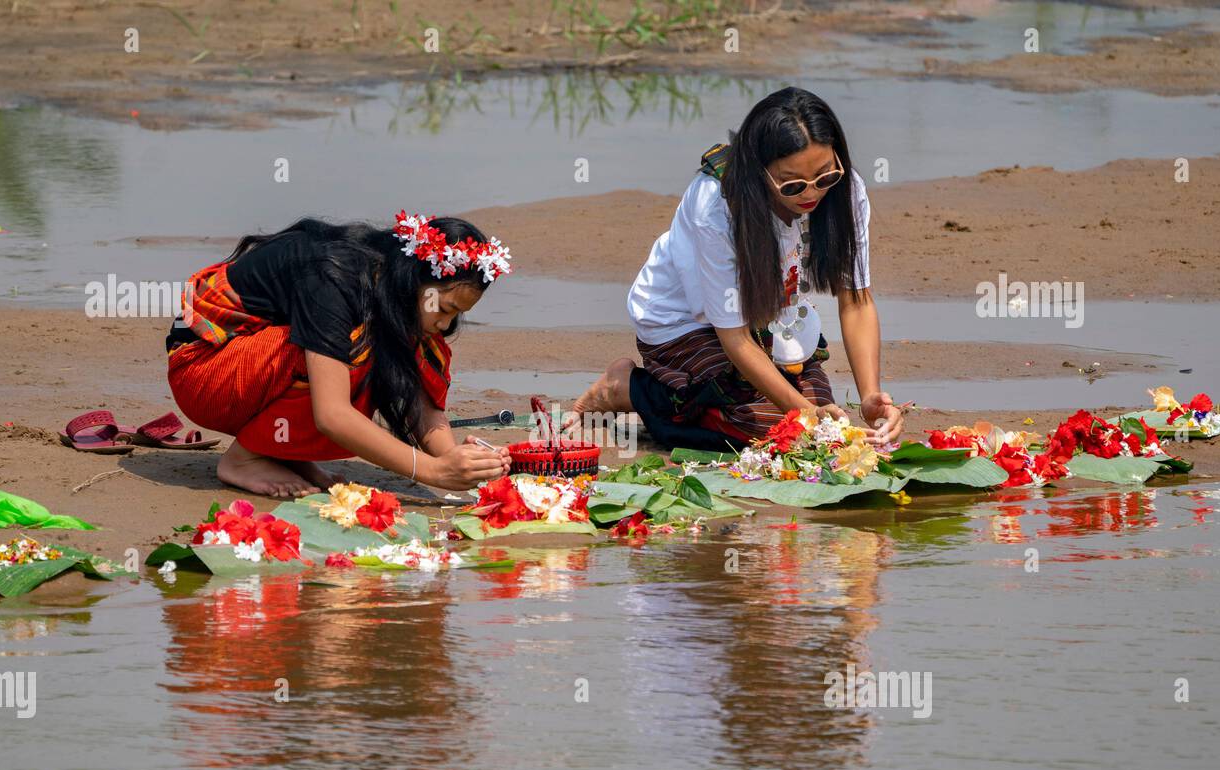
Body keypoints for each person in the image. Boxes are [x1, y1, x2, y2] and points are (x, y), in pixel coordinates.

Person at [572, 87, 904, 451]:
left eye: (825, 176)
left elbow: (856, 301)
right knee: (766, 431)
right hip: (688, 323)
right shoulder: (715, 205)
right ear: (758, 174)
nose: (812, 194)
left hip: (772, 320)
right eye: (792, 184)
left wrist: (870, 397)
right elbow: (735, 338)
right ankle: (628, 388)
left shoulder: (846, 190)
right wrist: (805, 418)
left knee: (828, 415)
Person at [166, 212, 513, 496]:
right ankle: (242, 460)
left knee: (413, 346)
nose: (445, 323)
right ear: (411, 279)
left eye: (455, 315)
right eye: (445, 308)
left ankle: (281, 449)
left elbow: (418, 399)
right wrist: (434, 472)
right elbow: (331, 415)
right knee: (356, 348)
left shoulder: (393, 294)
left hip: (253, 366)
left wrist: (455, 459)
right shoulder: (333, 276)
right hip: (203, 371)